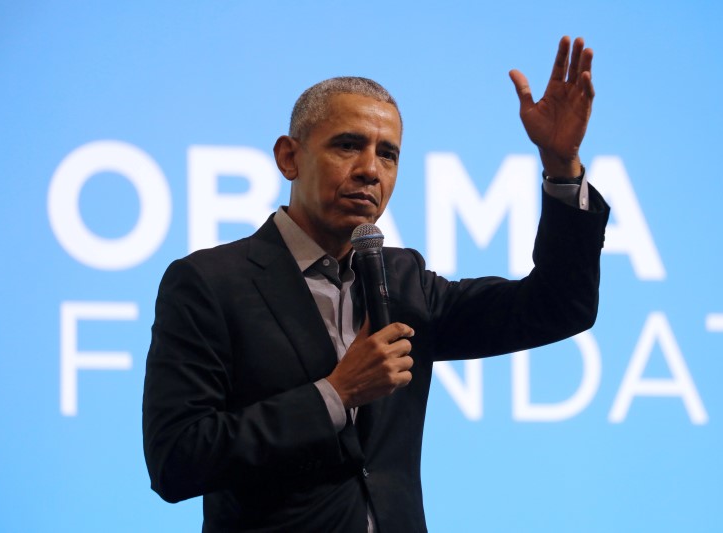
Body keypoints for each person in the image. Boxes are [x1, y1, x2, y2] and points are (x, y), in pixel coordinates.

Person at [143, 36, 610, 532]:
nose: (370, 169)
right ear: (289, 157)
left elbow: (559, 306)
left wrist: (561, 168)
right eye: (347, 145)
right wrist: (334, 394)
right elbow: (177, 459)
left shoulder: (403, 281)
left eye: (388, 154)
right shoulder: (210, 283)